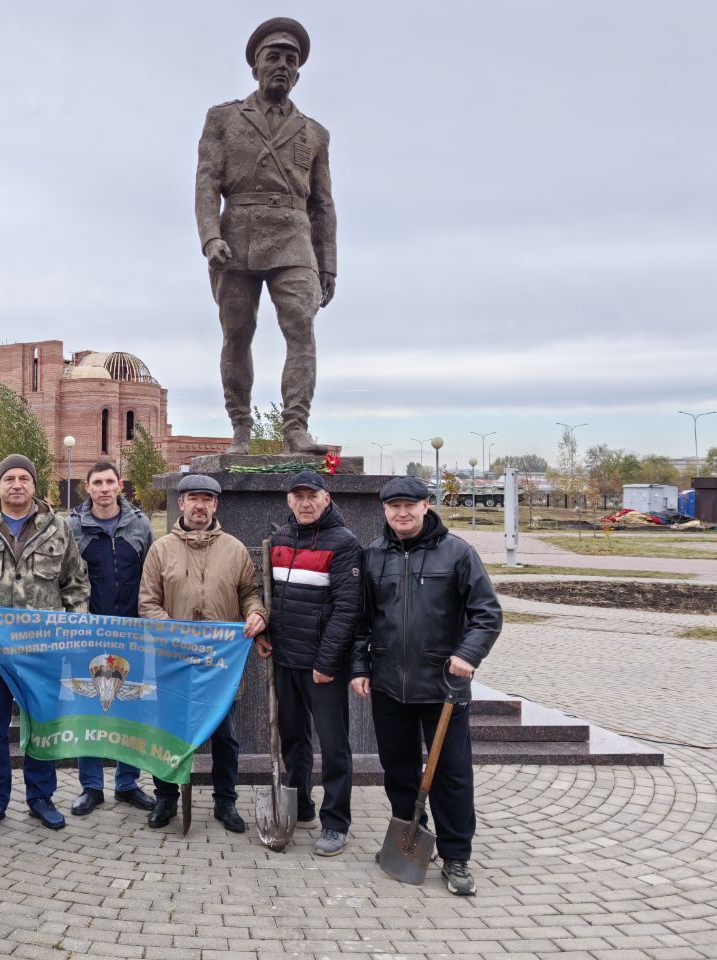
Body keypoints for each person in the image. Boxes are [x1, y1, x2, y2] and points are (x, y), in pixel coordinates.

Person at [351, 476, 502, 897]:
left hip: (443, 687)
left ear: (424, 505)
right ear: (384, 511)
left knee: (451, 776)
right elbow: (363, 621)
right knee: (398, 769)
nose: (402, 513)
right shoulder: (373, 555)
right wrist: (360, 667)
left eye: (410, 505)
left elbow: (487, 613)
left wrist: (468, 655)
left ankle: (456, 856)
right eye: (393, 506)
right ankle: (412, 833)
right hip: (387, 686)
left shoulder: (458, 554)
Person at [195, 17, 337, 454]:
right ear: (255, 67)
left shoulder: (315, 133)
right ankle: (241, 430)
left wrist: (327, 263)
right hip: (236, 237)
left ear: (298, 73)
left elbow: (323, 204)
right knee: (237, 333)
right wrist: (210, 237)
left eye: (290, 60)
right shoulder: (223, 118)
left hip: (293, 239)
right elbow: (207, 183)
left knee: (301, 329)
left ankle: (295, 428)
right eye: (272, 57)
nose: (281, 65)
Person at [0, 454, 89, 833]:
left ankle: (40, 797)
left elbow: (76, 584)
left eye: (23, 478)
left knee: (42, 723)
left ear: (33, 485)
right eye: (9, 478)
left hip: (43, 653)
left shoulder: (57, 529)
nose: (16, 484)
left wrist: (75, 624)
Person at [138, 474, 266, 832]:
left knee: (225, 736)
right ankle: (166, 797)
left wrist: (257, 612)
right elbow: (148, 604)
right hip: (172, 662)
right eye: (193, 498)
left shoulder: (235, 550)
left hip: (219, 666)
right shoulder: (161, 549)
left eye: (207, 499)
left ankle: (226, 802)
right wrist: (178, 636)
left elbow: (249, 594)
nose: (200, 505)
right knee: (169, 733)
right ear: (181, 503)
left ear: (215, 505)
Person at [255, 471, 360, 855]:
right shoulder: (280, 540)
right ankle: (300, 808)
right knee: (294, 742)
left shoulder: (343, 543)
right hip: (285, 660)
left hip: (322, 666)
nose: (304, 502)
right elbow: (270, 597)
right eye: (297, 496)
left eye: (311, 495)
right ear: (288, 501)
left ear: (325, 498)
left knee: (334, 747)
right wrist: (266, 631)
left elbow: (348, 609)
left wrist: (327, 661)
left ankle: (336, 823)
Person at [65, 461, 156, 817]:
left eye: (109, 482)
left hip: (133, 632)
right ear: (87, 488)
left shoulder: (140, 525)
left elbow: (152, 575)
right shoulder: (72, 528)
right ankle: (91, 787)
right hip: (89, 633)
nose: (104, 488)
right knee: (91, 708)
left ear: (120, 485)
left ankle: (127, 783)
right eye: (97, 483)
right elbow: (66, 577)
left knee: (130, 709)